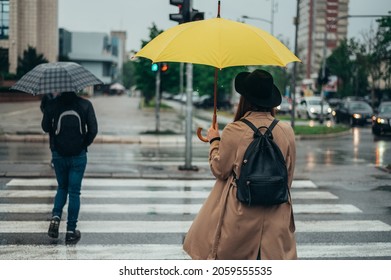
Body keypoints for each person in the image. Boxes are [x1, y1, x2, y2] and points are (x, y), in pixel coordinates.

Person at [183, 69, 297, 259]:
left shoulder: (235, 129)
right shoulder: (286, 131)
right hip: (277, 219)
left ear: (244, 99)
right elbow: (289, 176)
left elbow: (219, 169)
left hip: (241, 218)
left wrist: (214, 141)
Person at [41, 91, 98, 243]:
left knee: (62, 187)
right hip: (78, 155)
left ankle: (56, 216)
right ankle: (71, 231)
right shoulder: (86, 104)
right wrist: (83, 144)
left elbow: (45, 127)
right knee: (74, 192)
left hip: (58, 153)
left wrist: (47, 109)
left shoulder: (53, 104)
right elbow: (93, 130)